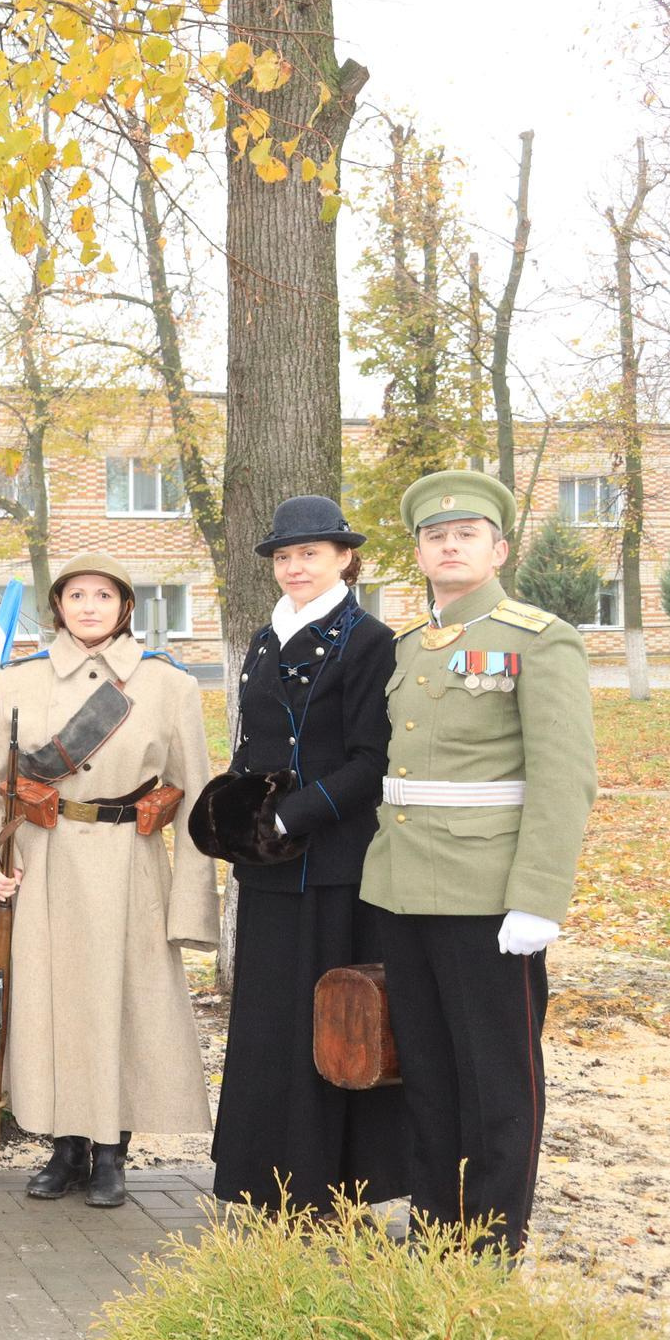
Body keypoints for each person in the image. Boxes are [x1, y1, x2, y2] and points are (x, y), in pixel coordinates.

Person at [362, 470, 596, 1254]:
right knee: (427, 1076)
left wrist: (538, 898)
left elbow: (565, 778)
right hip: (405, 891)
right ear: (420, 553)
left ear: (497, 549)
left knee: (499, 1083)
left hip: (490, 901)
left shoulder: (538, 637)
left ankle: (493, 1245)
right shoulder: (406, 646)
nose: (449, 544)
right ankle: (436, 1230)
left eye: (466, 534)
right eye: (435, 536)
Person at [0, 554, 217, 1210]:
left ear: (125, 605)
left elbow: (198, 801)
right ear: (58, 605)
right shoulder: (17, 682)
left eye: (103, 594)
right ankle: (65, 1148)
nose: (89, 605)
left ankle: (112, 1153)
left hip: (129, 865)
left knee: (119, 1008)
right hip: (44, 861)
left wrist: (191, 903)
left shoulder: (168, 686)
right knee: (54, 1006)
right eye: (76, 594)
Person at [191, 496, 408, 1213]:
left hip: (333, 862)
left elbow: (371, 759)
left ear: (345, 557)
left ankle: (325, 1186)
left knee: (326, 1025)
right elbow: (255, 746)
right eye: (285, 556)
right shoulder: (263, 638)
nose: (295, 567)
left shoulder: (370, 639)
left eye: (310, 553)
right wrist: (239, 815)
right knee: (265, 1024)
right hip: (268, 864)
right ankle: (264, 1178)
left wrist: (292, 813)